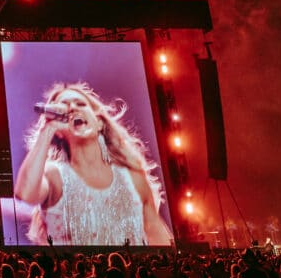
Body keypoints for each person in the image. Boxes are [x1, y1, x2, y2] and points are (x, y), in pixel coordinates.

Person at [14, 82, 173, 247]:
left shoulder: (132, 177)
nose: (73, 108)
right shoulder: (54, 175)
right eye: (65, 106)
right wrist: (48, 129)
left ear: (99, 123)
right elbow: (25, 193)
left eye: (81, 104)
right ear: (59, 132)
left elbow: (156, 232)